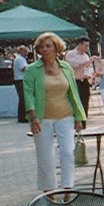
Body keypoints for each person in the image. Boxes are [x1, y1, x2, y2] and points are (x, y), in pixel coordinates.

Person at [23, 32, 87, 193]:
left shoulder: (66, 68)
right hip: (42, 118)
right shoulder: (32, 70)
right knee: (46, 157)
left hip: (65, 116)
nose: (44, 49)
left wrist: (79, 118)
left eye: (48, 46)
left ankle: (67, 189)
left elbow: (73, 93)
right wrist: (33, 116)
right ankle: (49, 191)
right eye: (41, 47)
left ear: (56, 48)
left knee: (67, 153)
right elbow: (28, 94)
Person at [64, 38, 93, 117]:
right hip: (75, 81)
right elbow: (75, 66)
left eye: (88, 46)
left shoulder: (86, 56)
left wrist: (89, 74)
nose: (87, 48)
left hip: (84, 80)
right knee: (75, 101)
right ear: (80, 44)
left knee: (85, 100)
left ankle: (84, 119)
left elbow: (89, 68)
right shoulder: (70, 54)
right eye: (85, 46)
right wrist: (86, 63)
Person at [12, 44, 29, 123]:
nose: (27, 53)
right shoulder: (20, 59)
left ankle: (23, 116)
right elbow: (24, 69)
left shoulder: (20, 59)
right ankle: (22, 117)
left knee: (23, 99)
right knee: (23, 99)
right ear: (21, 51)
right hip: (20, 80)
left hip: (20, 80)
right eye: (25, 51)